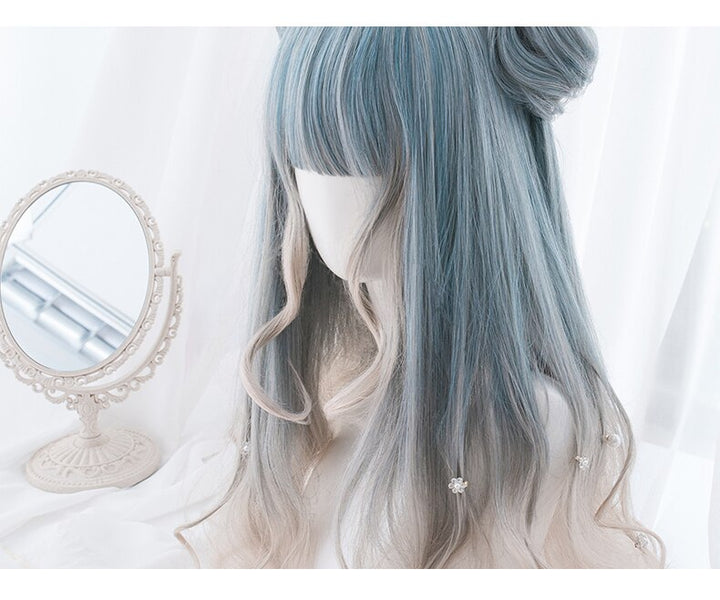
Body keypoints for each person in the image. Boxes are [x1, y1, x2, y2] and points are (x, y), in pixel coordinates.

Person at [175, 26, 666, 568]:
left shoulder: (528, 428)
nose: (333, 195)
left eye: (372, 158)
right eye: (308, 158)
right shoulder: (328, 387)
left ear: (476, 169)